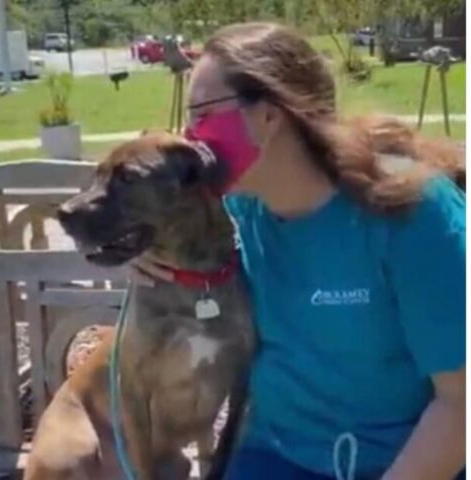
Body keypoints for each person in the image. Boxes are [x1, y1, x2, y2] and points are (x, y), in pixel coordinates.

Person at [132, 23, 466, 480]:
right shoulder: (233, 210)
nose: (190, 137)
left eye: (202, 115)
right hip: (275, 455)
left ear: (270, 115)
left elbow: (460, 405)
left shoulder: (411, 212)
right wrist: (140, 248)